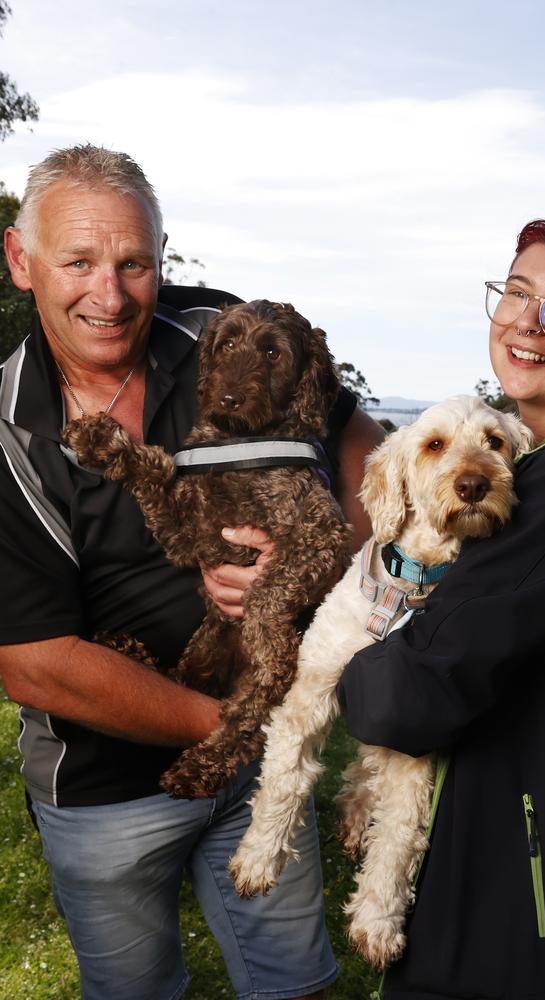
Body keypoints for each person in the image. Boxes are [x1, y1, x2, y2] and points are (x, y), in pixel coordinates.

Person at [0, 143, 384, 1000]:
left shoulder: (219, 329)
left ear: (160, 260)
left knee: (296, 986)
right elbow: (29, 656)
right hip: (105, 799)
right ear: (21, 262)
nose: (110, 294)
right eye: (79, 262)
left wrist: (310, 567)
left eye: (134, 263)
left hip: (258, 764)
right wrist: (240, 729)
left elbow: (371, 462)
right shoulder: (4, 430)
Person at [338, 219, 545, 1000]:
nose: (529, 321)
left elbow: (411, 694)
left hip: (526, 914)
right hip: (544, 882)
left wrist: (343, 662)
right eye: (516, 293)